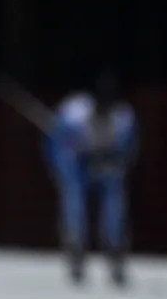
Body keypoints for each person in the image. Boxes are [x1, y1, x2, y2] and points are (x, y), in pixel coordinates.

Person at [45, 72, 139, 285]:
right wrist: (69, 165)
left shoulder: (123, 118)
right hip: (75, 163)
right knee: (74, 198)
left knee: (115, 198)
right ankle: (76, 248)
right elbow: (57, 147)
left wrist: (114, 162)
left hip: (106, 163)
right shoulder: (72, 114)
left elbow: (129, 151)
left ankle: (115, 249)